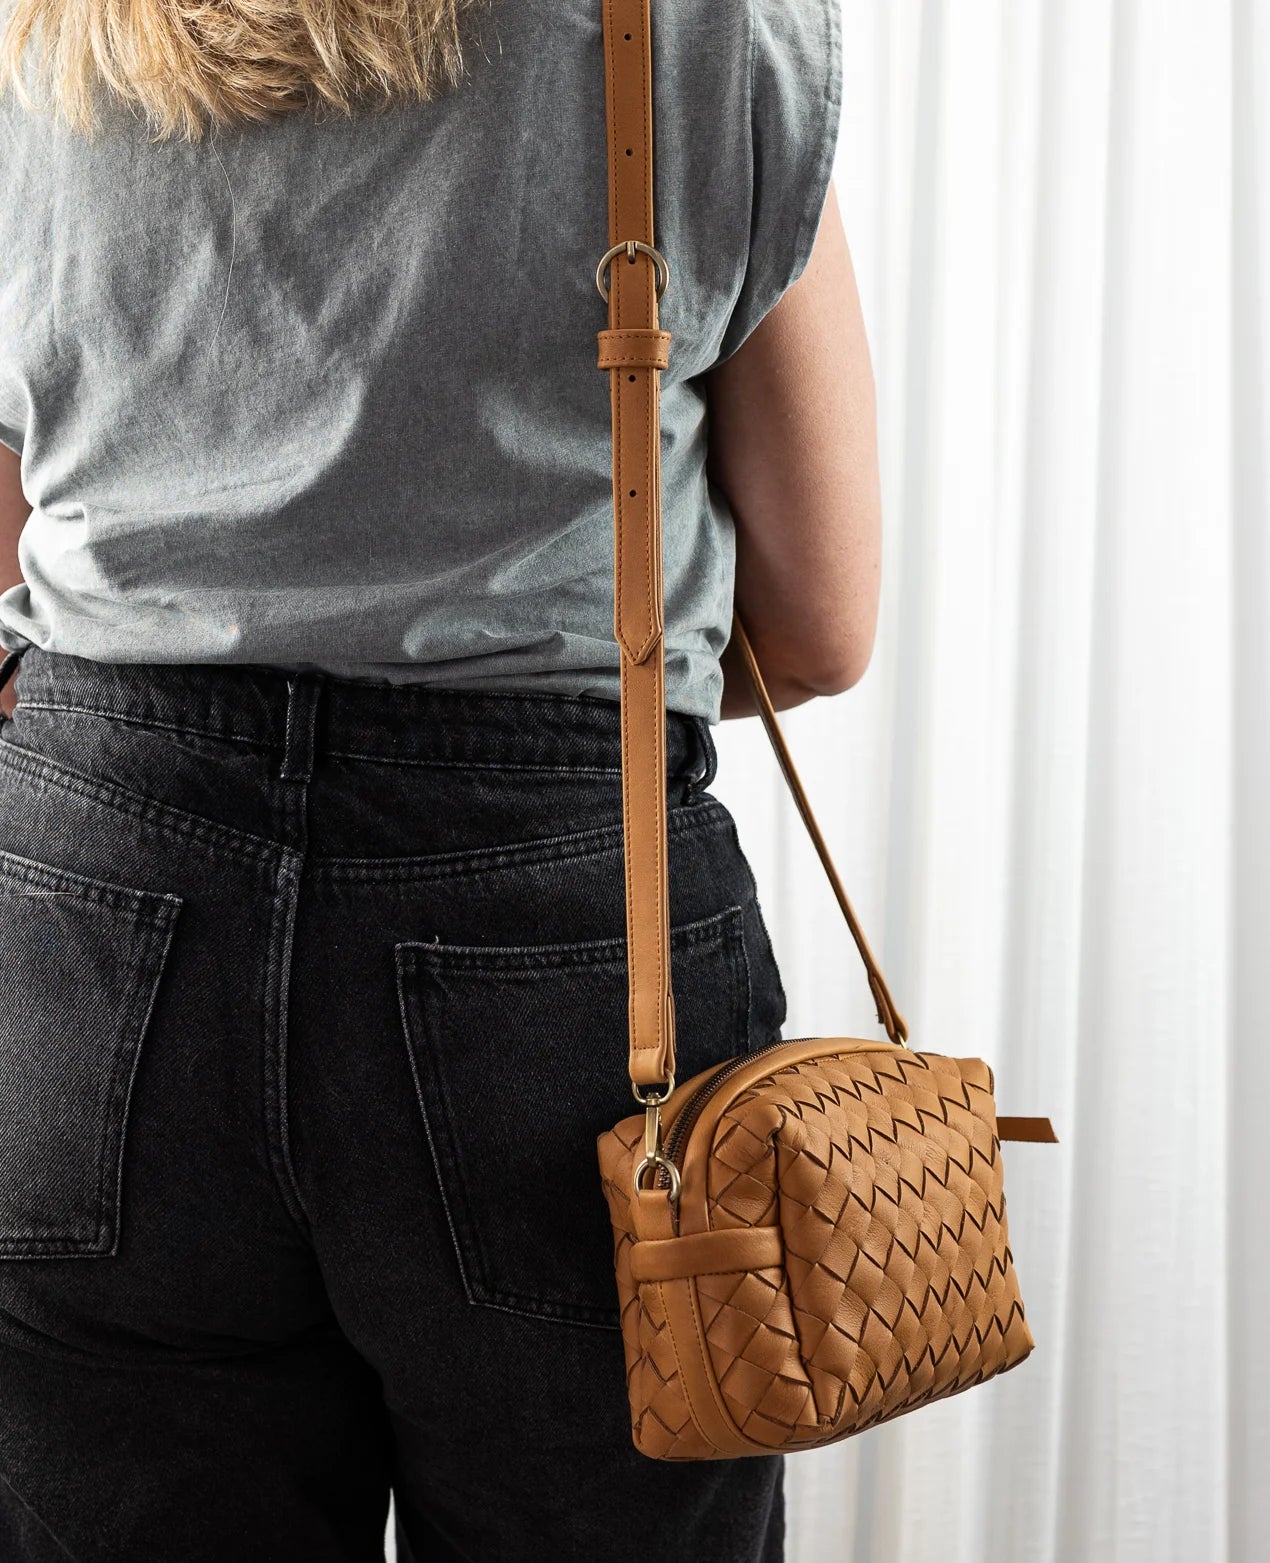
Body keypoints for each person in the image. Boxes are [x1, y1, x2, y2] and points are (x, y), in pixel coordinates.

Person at [0, 0, 879, 1557]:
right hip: (561, 957)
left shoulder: (36, 35)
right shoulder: (682, 32)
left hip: (90, 926)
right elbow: (820, 624)